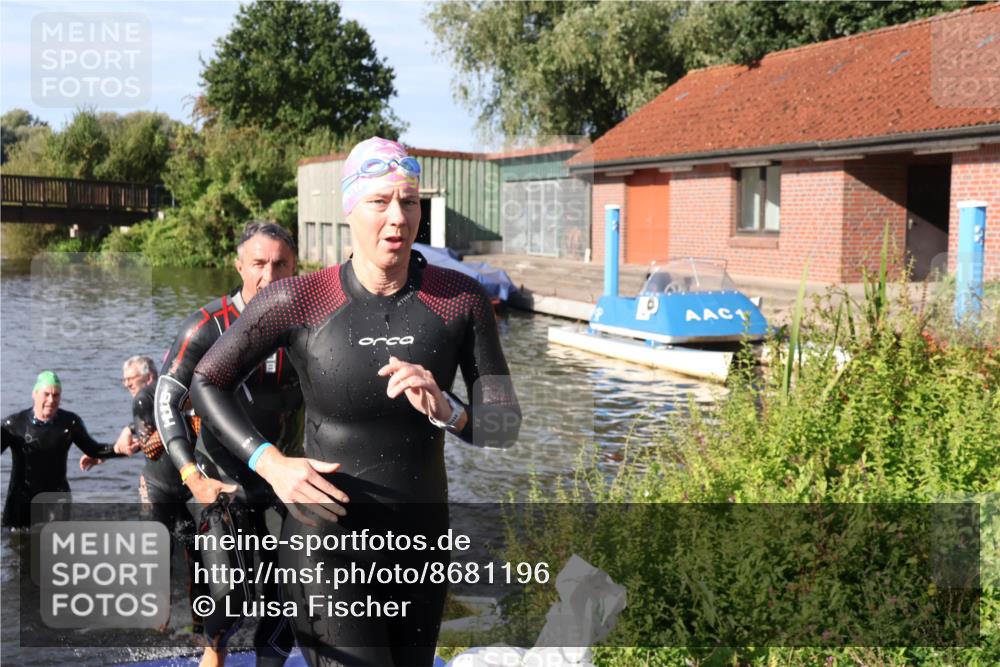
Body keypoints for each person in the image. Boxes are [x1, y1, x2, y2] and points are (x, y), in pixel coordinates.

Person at [190, 137, 521, 667]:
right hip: (327, 545)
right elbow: (206, 381)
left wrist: (449, 410)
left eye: (408, 201)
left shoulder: (461, 299)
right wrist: (270, 462)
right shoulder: (299, 298)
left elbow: (503, 427)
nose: (398, 218)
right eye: (380, 201)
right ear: (350, 209)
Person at [154, 221, 302, 667]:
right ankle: (214, 650)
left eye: (280, 265)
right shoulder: (206, 326)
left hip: (282, 479)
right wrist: (189, 475)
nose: (269, 276)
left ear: (295, 267)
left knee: (292, 591)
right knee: (229, 593)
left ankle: (269, 663)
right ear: (239, 266)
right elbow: (166, 397)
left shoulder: (311, 325)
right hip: (219, 481)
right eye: (258, 264)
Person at [1, 370, 132, 529]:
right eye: (46, 394)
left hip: (56, 498)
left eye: (56, 395)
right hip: (20, 500)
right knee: (15, 548)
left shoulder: (70, 423)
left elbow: (93, 450)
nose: (51, 400)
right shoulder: (14, 425)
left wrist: (118, 449)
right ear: (35, 394)